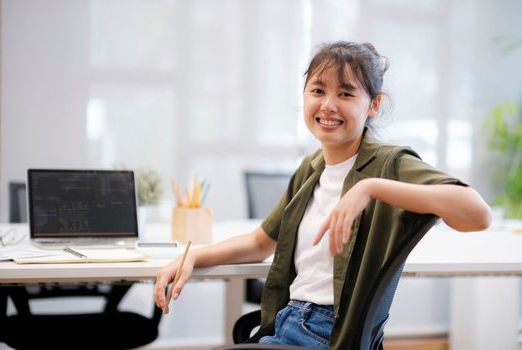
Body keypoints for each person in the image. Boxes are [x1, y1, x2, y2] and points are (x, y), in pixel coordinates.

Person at [154, 41, 492, 349]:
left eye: (346, 94)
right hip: (285, 321)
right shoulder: (312, 167)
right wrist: (193, 258)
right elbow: (261, 242)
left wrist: (370, 188)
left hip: (323, 334)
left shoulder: (388, 163)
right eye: (318, 90)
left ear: (373, 104)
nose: (328, 105)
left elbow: (477, 214)